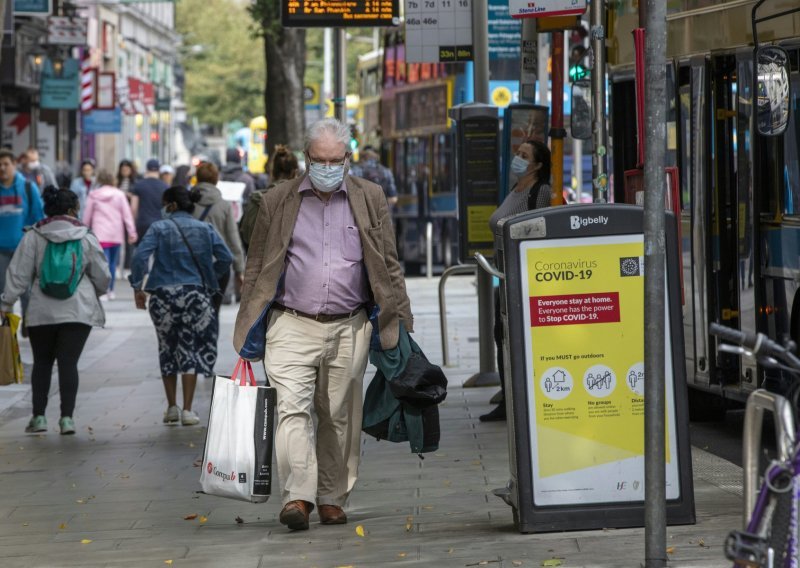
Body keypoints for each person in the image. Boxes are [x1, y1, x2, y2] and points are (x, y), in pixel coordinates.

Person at [234, 118, 413, 531]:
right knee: (291, 411)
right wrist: (249, 319)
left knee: (338, 416)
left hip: (350, 325)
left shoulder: (369, 196)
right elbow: (258, 262)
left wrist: (400, 318)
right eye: (320, 159)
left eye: (336, 160)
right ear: (305, 157)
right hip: (290, 322)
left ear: (347, 158)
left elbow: (388, 261)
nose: (328, 167)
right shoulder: (278, 200)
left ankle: (332, 496)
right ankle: (298, 496)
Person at [0, 186, 110, 435]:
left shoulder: (33, 236)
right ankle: (67, 419)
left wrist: (6, 303)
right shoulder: (86, 237)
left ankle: (38, 417)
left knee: (42, 363)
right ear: (73, 209)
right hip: (78, 310)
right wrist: (96, 293)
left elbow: (17, 274)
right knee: (68, 363)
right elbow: (103, 276)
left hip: (41, 311)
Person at [129, 186, 233, 426]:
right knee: (190, 346)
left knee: (166, 347)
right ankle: (188, 409)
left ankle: (171, 407)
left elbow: (140, 257)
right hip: (195, 295)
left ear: (172, 205)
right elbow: (226, 258)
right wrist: (209, 277)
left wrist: (137, 286)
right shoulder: (205, 228)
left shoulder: (158, 228)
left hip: (163, 296)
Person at [480, 139, 552, 422]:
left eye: (524, 155)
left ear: (537, 165)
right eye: (517, 153)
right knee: (502, 336)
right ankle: (507, 397)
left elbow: (542, 228)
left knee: (515, 337)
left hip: (525, 277)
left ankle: (520, 399)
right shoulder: (515, 189)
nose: (517, 159)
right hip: (505, 275)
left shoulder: (540, 191)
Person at [190, 162, 245, 310]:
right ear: (216, 179)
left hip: (192, 263)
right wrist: (239, 269)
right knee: (214, 309)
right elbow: (233, 240)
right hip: (219, 265)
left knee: (193, 306)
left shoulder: (188, 204)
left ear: (197, 178)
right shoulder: (224, 205)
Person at [0, 148, 45, 330]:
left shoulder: (27, 187)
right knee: (3, 291)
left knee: (27, 290)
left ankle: (28, 323)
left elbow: (38, 217)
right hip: (1, 249)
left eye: (6, 164)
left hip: (23, 248)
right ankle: (7, 327)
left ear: (14, 165)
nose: (2, 168)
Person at [83, 169, 138, 300]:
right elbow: (127, 215)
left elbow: (87, 215)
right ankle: (111, 290)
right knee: (112, 263)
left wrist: (83, 230)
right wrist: (132, 232)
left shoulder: (93, 195)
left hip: (100, 233)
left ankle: (103, 290)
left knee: (102, 263)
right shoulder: (119, 194)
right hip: (115, 234)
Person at [239, 144, 299, 250]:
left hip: (261, 264)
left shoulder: (257, 200)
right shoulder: (302, 201)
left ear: (272, 172)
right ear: (295, 172)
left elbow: (246, 236)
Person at [130, 159, 168, 241]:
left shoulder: (138, 185)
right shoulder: (165, 187)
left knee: (142, 251)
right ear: (159, 170)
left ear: (147, 169)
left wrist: (132, 226)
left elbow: (133, 208)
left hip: (142, 224)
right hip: (160, 224)